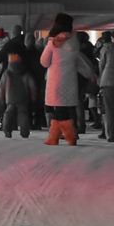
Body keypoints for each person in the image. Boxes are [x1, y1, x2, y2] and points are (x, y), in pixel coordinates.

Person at [40, 14, 95, 145]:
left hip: (55, 81)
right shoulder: (74, 42)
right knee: (66, 109)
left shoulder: (53, 42)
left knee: (58, 111)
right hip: (70, 80)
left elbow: (44, 62)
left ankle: (58, 136)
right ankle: (70, 134)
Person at [0, 29, 35, 138]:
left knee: (8, 114)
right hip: (23, 96)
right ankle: (24, 131)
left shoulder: (7, 73)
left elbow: (2, 86)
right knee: (23, 114)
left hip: (10, 97)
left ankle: (7, 130)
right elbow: (31, 84)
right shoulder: (25, 72)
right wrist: (33, 95)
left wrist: (1, 97)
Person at [97, 29, 114, 143]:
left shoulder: (107, 48)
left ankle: (112, 135)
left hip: (108, 80)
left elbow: (102, 65)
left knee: (109, 109)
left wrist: (100, 79)